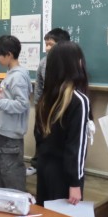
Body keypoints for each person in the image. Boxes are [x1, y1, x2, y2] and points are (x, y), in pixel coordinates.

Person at [35, 41, 91, 206]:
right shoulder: (79, 100)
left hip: (44, 167)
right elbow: (76, 147)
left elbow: (38, 136)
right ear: (75, 64)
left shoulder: (45, 98)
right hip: (64, 174)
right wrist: (75, 182)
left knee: (46, 215)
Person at [0, 35, 32, 193]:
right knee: (1, 170)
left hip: (11, 134)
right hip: (4, 131)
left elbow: (22, 104)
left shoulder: (18, 77)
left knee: (11, 173)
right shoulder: (11, 73)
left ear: (9, 54)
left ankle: (17, 202)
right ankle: (4, 201)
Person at [28, 28, 71, 177]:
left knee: (59, 138)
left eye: (50, 44)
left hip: (61, 107)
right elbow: (39, 86)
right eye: (46, 44)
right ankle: (37, 163)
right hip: (44, 106)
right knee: (40, 135)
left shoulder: (69, 63)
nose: (47, 48)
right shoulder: (43, 62)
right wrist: (39, 106)